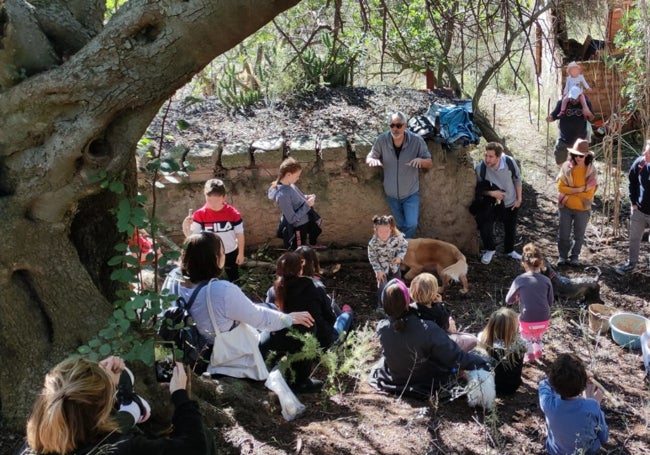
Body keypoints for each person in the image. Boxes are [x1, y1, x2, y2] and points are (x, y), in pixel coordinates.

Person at [162, 232, 315, 376]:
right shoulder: (221, 290)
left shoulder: (173, 277)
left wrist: (163, 374)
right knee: (300, 326)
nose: (225, 255)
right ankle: (295, 380)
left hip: (187, 347)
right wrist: (289, 318)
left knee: (269, 309)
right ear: (215, 258)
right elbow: (259, 319)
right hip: (220, 355)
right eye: (222, 252)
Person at [19, 356, 211, 454]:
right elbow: (196, 448)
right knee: (205, 437)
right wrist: (180, 395)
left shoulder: (34, 441)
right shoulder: (125, 447)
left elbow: (78, 412)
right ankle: (131, 409)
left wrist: (101, 383)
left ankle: (131, 409)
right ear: (103, 409)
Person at [369, 278, 490, 398]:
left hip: (395, 378)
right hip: (426, 383)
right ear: (407, 302)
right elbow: (455, 357)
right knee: (466, 343)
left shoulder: (382, 327)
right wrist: (481, 362)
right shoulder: (427, 329)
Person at [260, 252, 353, 392]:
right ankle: (349, 313)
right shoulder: (313, 288)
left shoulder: (273, 291)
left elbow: (271, 317)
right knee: (344, 318)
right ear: (300, 270)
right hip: (317, 339)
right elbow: (330, 317)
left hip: (286, 340)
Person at [365, 111, 433, 238]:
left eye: (399, 125)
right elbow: (370, 157)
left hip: (411, 193)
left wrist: (421, 161)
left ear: (405, 126)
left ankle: (401, 248)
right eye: (392, 125)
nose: (395, 129)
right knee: (400, 225)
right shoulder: (382, 140)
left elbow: (429, 162)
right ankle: (403, 251)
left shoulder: (416, 141)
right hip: (391, 194)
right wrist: (372, 160)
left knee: (411, 224)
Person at [539, 353, 608, 455]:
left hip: (556, 452)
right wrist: (596, 404)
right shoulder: (592, 406)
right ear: (583, 383)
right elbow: (604, 437)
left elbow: (544, 384)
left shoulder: (548, 404)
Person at [182, 178, 245, 283]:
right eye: (209, 200)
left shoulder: (233, 213)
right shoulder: (200, 214)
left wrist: (241, 253)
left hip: (230, 250)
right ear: (205, 196)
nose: (213, 204)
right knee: (212, 278)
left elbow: (240, 234)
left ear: (224, 197)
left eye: (217, 200)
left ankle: (235, 291)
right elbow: (193, 238)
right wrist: (186, 226)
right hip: (210, 253)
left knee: (234, 276)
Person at [473, 142, 523, 264]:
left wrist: (519, 198)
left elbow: (517, 179)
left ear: (498, 157)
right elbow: (478, 189)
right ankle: (490, 249)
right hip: (493, 204)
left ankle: (510, 250)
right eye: (486, 155)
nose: (487, 159)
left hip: (510, 201)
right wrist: (492, 193)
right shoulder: (481, 168)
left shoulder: (509, 162)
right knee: (485, 225)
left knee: (510, 228)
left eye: (491, 157)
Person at [505, 243, 553, 362]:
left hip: (527, 320)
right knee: (538, 334)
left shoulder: (520, 280)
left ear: (523, 263)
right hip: (544, 320)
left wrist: (517, 297)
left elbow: (508, 300)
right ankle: (538, 350)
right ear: (541, 263)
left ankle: (530, 353)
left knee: (525, 335)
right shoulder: (547, 280)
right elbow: (550, 302)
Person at [409, 272, 478, 352]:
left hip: (421, 343)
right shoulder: (437, 311)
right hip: (438, 342)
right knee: (472, 339)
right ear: (433, 294)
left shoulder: (411, 308)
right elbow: (446, 323)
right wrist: (441, 304)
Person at [557, 138, 598, 267]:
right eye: (575, 155)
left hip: (583, 209)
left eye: (580, 155)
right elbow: (560, 187)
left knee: (579, 235)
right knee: (563, 233)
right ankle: (562, 256)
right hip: (566, 207)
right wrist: (580, 189)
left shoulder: (591, 170)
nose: (577, 158)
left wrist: (571, 191)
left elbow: (589, 194)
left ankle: (574, 257)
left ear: (586, 155)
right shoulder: (566, 167)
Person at [268, 157, 322, 249]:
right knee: (298, 250)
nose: (298, 178)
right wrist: (307, 205)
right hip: (298, 228)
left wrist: (307, 197)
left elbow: (297, 199)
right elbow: (292, 219)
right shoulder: (282, 195)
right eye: (297, 176)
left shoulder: (290, 185)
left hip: (304, 222)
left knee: (304, 244)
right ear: (288, 175)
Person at [616, 140, 650, 274]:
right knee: (634, 238)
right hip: (639, 210)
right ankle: (631, 264)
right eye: (646, 150)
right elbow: (632, 181)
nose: (644, 154)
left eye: (648, 152)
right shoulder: (640, 163)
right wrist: (633, 203)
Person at [477, 307, 526, 395]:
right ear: (513, 328)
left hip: (491, 386)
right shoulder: (520, 344)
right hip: (512, 387)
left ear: (491, 325)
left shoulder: (482, 339)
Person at [367, 214, 408, 309]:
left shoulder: (397, 238)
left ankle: (398, 303)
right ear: (376, 230)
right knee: (382, 287)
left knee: (397, 285)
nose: (384, 234)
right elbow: (372, 258)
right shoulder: (373, 244)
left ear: (391, 229)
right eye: (381, 231)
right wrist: (378, 271)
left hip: (394, 268)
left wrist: (399, 257)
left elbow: (404, 245)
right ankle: (381, 306)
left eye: (386, 231)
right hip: (382, 269)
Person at [547, 89, 593, 165]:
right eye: (572, 98)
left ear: (580, 96)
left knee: (579, 164)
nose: (573, 100)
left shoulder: (586, 103)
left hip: (579, 141)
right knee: (560, 161)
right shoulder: (562, 103)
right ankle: (564, 173)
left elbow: (591, 118)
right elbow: (554, 115)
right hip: (564, 139)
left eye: (576, 98)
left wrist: (588, 112)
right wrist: (550, 118)